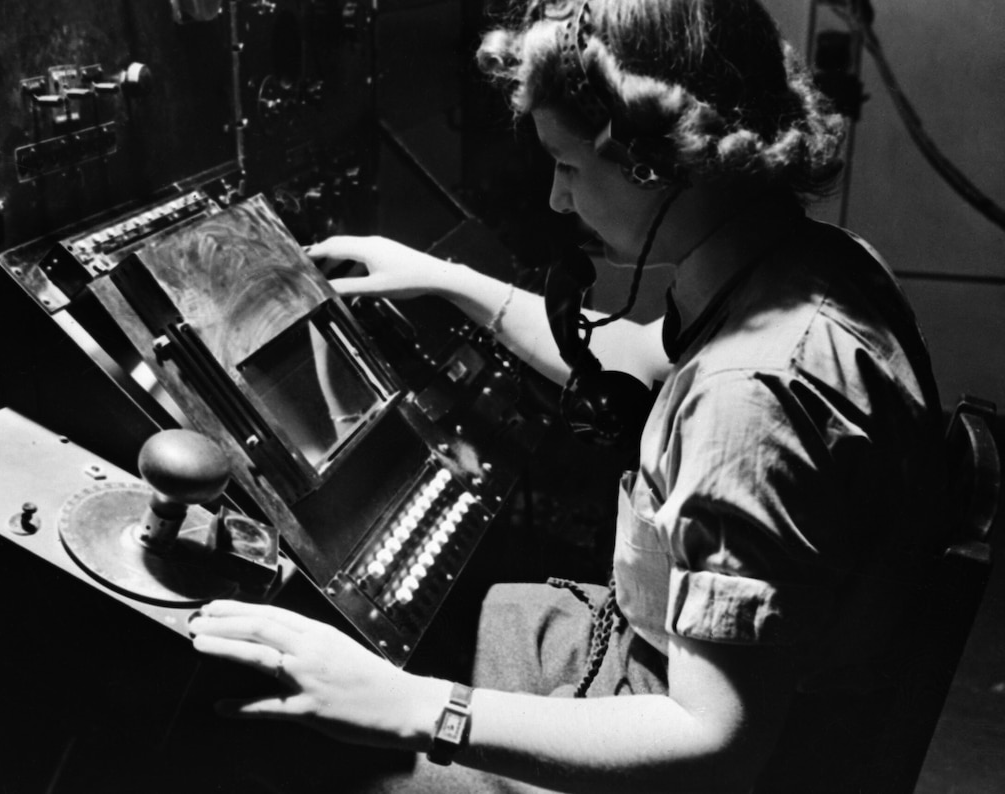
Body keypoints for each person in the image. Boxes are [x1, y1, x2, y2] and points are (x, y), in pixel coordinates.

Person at [187, 0, 945, 791]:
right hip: (697, 672)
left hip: (701, 746)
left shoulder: (746, 398)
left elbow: (714, 740)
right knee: (460, 616)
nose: (556, 198)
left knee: (283, 754)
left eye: (570, 165)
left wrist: (416, 706)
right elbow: (639, 360)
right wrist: (451, 281)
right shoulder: (809, 268)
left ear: (657, 160)